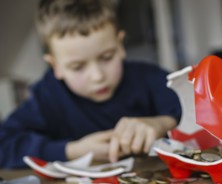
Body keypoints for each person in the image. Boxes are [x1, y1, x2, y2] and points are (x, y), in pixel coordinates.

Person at [0, 0, 181, 168]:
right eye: (77, 67)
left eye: (106, 57)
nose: (97, 76)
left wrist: (162, 123)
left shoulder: (147, 77)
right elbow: (4, 145)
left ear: (120, 46)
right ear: (56, 66)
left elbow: (194, 105)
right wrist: (71, 150)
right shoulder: (47, 96)